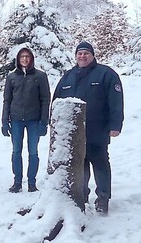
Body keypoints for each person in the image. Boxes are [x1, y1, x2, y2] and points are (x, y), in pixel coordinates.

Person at [53, 41, 124, 215]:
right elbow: (57, 101)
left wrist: (115, 125)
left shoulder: (106, 74)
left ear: (92, 55)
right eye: (79, 53)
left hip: (98, 129)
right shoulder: (68, 76)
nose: (82, 56)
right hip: (75, 132)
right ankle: (81, 196)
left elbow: (116, 102)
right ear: (75, 56)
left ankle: (103, 198)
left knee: (100, 163)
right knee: (80, 165)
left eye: (86, 53)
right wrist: (53, 123)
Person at [1, 47, 50, 193]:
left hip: (34, 120)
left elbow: (45, 100)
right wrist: (4, 121)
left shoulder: (40, 76)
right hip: (16, 120)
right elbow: (7, 100)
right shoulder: (11, 77)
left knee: (33, 152)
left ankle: (31, 182)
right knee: (16, 151)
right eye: (22, 56)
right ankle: (17, 181)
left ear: (32, 59)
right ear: (18, 59)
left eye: (27, 56)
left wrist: (44, 122)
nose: (24, 59)